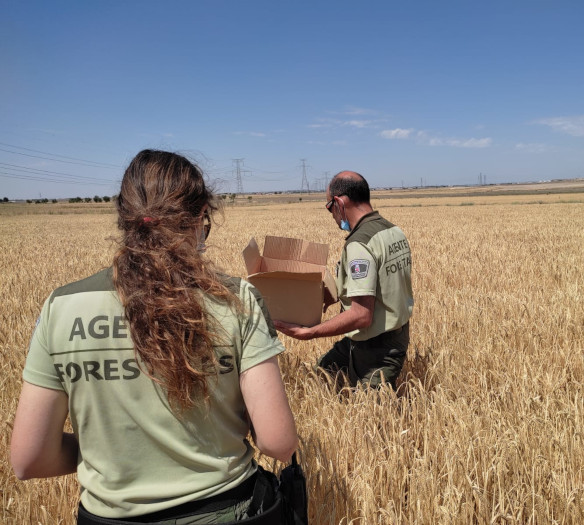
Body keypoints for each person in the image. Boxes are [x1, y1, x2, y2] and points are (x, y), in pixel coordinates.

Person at [10, 150, 298, 524]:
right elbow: (278, 443)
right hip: (228, 510)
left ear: (124, 219)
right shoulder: (237, 299)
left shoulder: (61, 307)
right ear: (199, 220)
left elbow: (29, 458)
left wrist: (111, 448)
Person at [275, 171, 413, 389]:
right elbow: (382, 283)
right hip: (393, 334)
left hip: (375, 347)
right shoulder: (392, 230)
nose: (332, 215)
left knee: (371, 416)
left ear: (339, 202)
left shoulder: (359, 244)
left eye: (329, 207)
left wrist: (310, 333)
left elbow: (361, 315)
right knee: (323, 372)